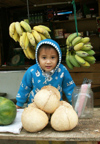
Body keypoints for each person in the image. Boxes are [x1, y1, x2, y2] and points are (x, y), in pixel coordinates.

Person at [16, 39, 76, 108]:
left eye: (53, 57)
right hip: (36, 105)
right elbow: (24, 88)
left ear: (58, 58)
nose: (48, 62)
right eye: (44, 57)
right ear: (38, 58)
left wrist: (76, 103)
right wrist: (19, 104)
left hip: (56, 106)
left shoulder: (62, 70)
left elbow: (70, 87)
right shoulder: (32, 71)